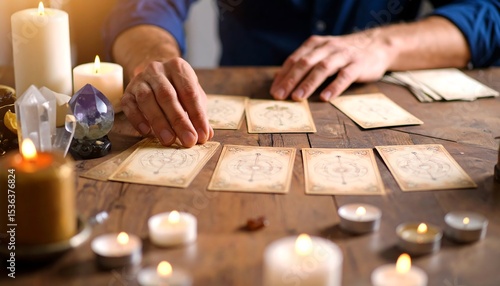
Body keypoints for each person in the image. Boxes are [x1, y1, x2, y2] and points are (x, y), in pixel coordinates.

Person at [104, 0, 500, 147]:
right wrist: (149, 59)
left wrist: (384, 44)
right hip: (240, 117)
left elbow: (490, 13)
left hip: (381, 111)